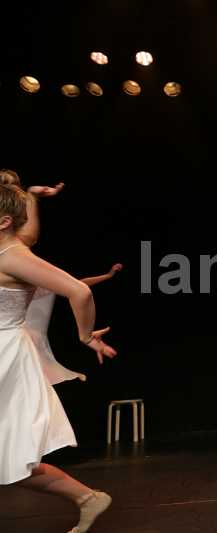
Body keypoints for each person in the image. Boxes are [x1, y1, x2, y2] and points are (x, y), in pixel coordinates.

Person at [0, 182, 117, 533]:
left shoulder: (13, 256)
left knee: (12, 459)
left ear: (4, 221)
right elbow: (28, 230)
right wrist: (32, 198)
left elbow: (79, 291)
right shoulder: (11, 245)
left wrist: (85, 336)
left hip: (5, 355)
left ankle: (87, 498)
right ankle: (87, 498)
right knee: (9, 460)